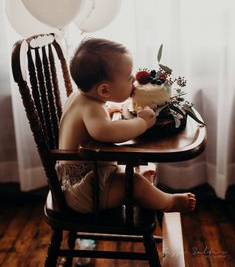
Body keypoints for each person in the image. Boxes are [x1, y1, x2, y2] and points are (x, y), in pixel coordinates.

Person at [56, 38, 196, 214]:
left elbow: (90, 124)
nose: (134, 81)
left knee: (132, 172)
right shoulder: (91, 108)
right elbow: (107, 132)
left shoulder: (81, 98)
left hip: (87, 175)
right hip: (84, 191)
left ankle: (138, 185)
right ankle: (168, 202)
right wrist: (142, 123)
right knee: (135, 184)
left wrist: (108, 109)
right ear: (105, 90)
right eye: (129, 78)